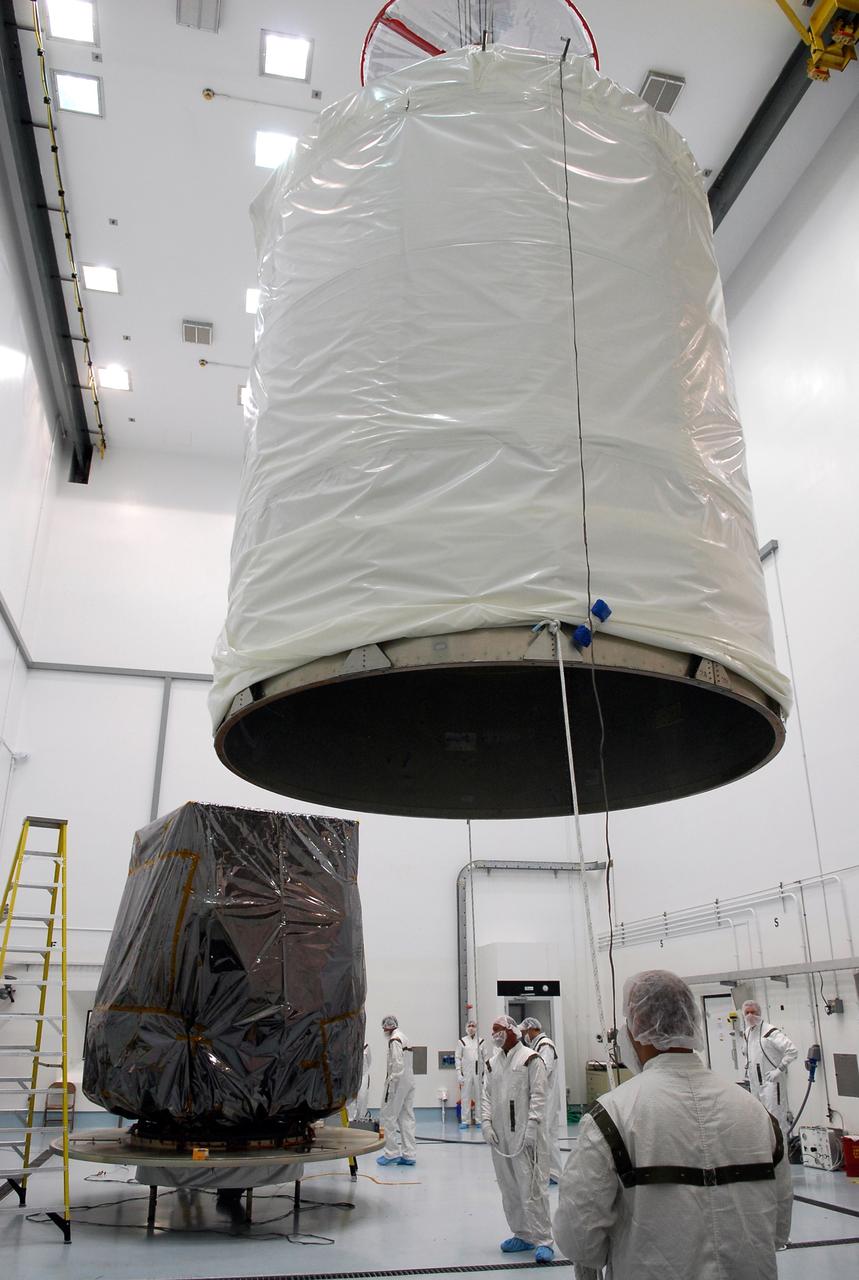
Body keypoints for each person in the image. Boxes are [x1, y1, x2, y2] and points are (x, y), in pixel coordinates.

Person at [554, 970, 792, 1280]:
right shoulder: (758, 1114)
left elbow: (578, 1237)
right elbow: (778, 1228)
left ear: (637, 1025)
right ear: (690, 1020)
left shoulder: (611, 1116)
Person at [481, 1013, 555, 1264]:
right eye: (493, 1031)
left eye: (499, 1029)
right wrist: (486, 1123)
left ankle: (543, 1239)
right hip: (501, 1137)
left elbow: (538, 1095)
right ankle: (522, 1233)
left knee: (532, 1186)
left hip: (525, 1133)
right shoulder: (493, 1063)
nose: (496, 1035)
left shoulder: (530, 1059)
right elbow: (487, 1096)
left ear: (513, 1031)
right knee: (509, 1186)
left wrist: (533, 1126)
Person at [742, 1000, 798, 1133]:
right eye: (747, 1013)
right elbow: (747, 1053)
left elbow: (792, 1051)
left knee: (776, 1120)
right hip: (755, 1084)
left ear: (759, 1013)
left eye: (753, 1012)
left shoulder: (770, 1031)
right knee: (759, 1120)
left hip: (772, 1083)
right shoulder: (747, 1033)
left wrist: (779, 1070)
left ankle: (783, 1152)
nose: (750, 1015)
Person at [520, 1017, 564, 1184]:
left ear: (532, 1029)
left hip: (547, 1098)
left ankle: (552, 1174)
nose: (524, 1036)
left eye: (524, 1032)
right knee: (547, 1136)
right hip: (545, 1097)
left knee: (546, 1135)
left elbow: (543, 1071)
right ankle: (552, 1173)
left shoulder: (545, 1045)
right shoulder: (538, 1045)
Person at [376, 1015, 417, 1166]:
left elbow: (398, 1065)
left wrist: (391, 1085)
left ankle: (391, 1153)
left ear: (387, 1027)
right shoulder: (404, 1037)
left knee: (388, 1117)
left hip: (397, 1084)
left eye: (384, 1028)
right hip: (409, 1082)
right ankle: (409, 1154)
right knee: (406, 1117)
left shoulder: (394, 1040)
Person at [455, 1019, 485, 1129]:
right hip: (466, 1073)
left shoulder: (481, 1041)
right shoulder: (462, 1042)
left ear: (476, 1028)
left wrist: (485, 1075)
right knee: (465, 1097)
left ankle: (479, 1120)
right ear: (466, 1028)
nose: (471, 1028)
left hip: (478, 1072)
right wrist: (459, 1073)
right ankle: (465, 1120)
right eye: (469, 1026)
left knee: (479, 1096)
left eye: (473, 1026)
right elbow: (457, 1058)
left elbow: (485, 1058)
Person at [347, 1041, 372, 1123]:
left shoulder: (366, 1046)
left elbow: (369, 1061)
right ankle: (350, 1119)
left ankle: (361, 1118)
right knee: (350, 1100)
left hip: (363, 1075)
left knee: (362, 1097)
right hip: (351, 1075)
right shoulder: (347, 1044)